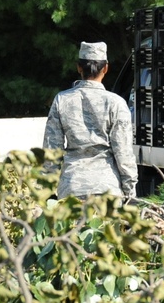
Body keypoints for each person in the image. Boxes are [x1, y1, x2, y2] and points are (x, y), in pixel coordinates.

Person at [43, 41, 138, 200]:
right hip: (107, 189)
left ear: (79, 67)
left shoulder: (62, 100)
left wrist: (48, 189)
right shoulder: (116, 103)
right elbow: (123, 152)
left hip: (71, 188)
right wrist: (130, 193)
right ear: (106, 68)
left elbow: (52, 149)